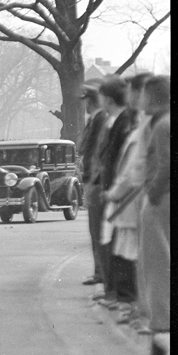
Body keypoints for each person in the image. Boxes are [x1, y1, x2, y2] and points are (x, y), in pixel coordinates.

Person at [101, 76, 146, 318]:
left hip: (130, 197)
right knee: (123, 247)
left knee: (130, 250)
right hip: (126, 196)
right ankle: (128, 300)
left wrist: (114, 192)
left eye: (132, 93)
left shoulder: (137, 125)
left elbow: (134, 168)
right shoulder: (136, 124)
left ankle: (131, 302)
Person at [94, 76, 136, 306]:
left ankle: (122, 295)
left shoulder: (123, 122)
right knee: (112, 240)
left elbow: (121, 161)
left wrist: (112, 189)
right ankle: (116, 292)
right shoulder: (116, 121)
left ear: (107, 99)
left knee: (118, 242)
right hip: (113, 190)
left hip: (119, 193)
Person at [139, 75, 170, 343]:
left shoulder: (162, 125)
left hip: (161, 201)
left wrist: (153, 194)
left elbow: (165, 165)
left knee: (157, 261)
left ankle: (161, 320)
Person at [78, 79, 107, 286]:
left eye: (86, 100)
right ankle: (99, 272)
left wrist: (91, 179)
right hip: (91, 178)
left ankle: (101, 273)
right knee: (94, 229)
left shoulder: (99, 120)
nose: (84, 104)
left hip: (94, 180)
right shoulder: (94, 119)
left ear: (91, 100)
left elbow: (93, 151)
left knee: (97, 229)